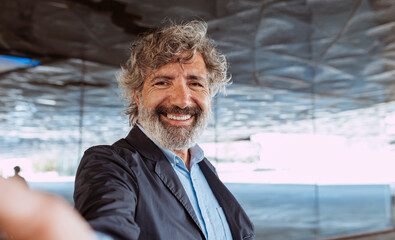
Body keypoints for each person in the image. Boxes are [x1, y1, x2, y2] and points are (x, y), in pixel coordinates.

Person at [73, 20, 254, 240]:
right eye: (162, 82)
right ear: (138, 97)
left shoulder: (204, 168)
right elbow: (107, 224)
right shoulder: (112, 164)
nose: (182, 100)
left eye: (195, 83)